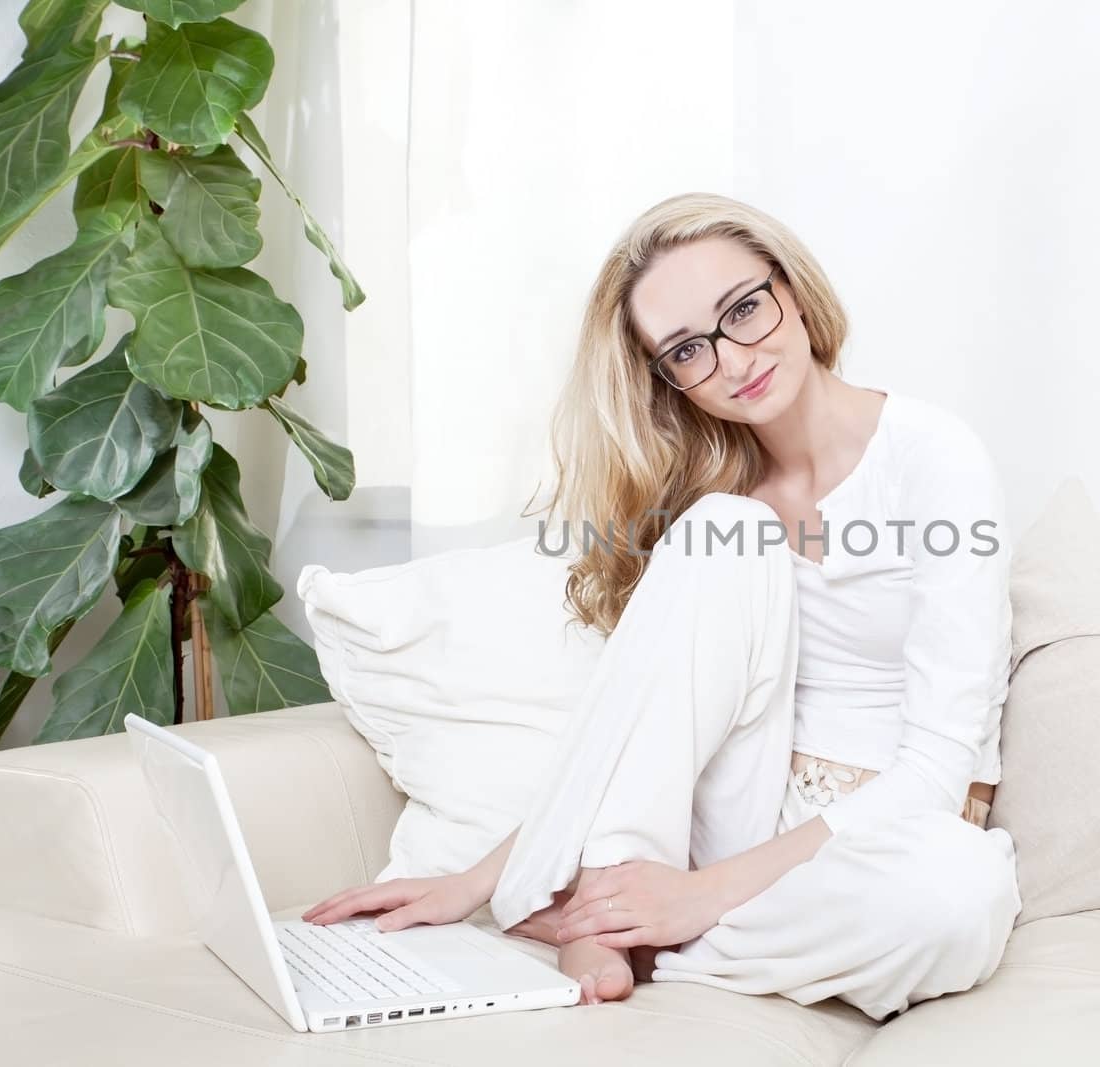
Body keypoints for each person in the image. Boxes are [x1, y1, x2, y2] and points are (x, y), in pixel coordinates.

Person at [302, 192, 1021, 1021]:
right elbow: (633, 726)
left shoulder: (935, 459)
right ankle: (618, 916)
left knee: (960, 898)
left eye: (744, 310)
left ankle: (635, 929)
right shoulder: (719, 502)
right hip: (740, 814)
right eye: (688, 349)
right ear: (667, 378)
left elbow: (938, 770)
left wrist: (700, 898)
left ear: (793, 289)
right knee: (728, 527)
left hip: (884, 837)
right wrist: (472, 880)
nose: (733, 358)